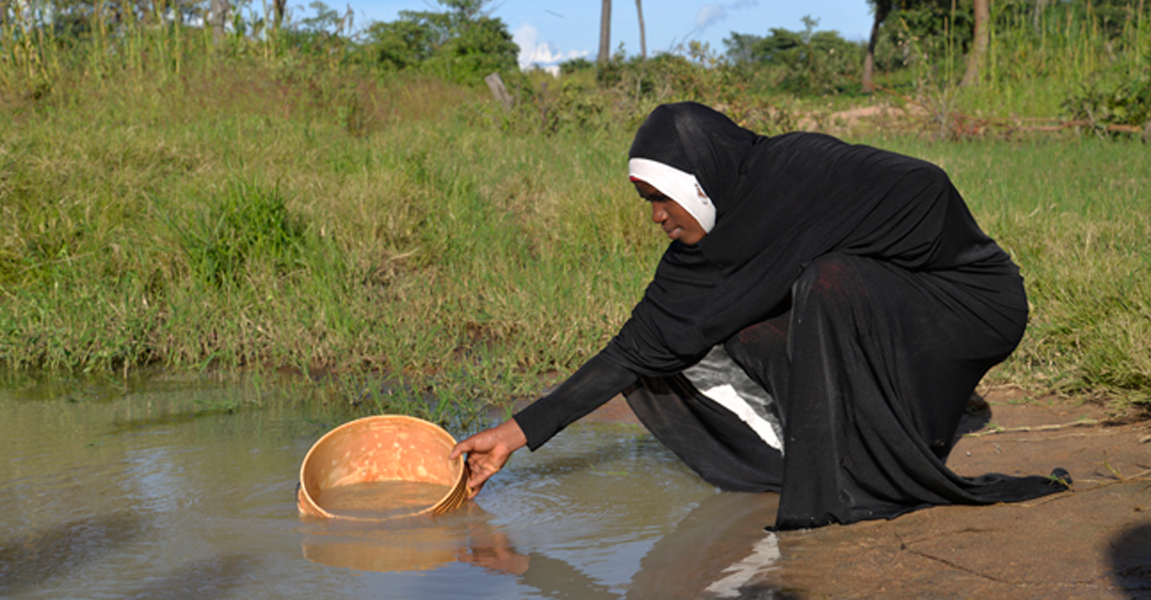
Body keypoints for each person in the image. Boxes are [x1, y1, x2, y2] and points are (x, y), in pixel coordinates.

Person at [450, 102, 1067, 530]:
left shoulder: (799, 170)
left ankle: (878, 460)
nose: (657, 217)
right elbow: (636, 349)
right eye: (647, 203)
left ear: (698, 180)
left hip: (965, 301)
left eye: (661, 199)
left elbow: (926, 184)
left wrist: (828, 251)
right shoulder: (699, 257)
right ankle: (832, 451)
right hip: (875, 309)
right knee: (729, 328)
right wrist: (513, 436)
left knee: (827, 282)